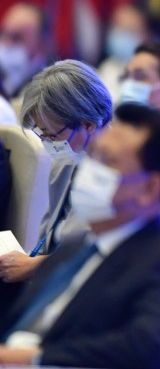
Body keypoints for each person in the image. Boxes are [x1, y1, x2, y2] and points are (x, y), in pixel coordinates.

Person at [0, 103, 160, 368]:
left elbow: (152, 348)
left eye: (107, 161)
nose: (89, 169)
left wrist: (32, 358)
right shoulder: (77, 245)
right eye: (93, 155)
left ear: (150, 189)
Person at [0, 61, 113, 288]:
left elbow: (109, 254)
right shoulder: (65, 161)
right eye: (42, 135)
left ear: (88, 124)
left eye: (51, 135)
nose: (47, 144)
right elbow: (47, 239)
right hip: (48, 282)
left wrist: (35, 267)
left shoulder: (126, 174)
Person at [95, 3, 160, 102]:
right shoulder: (109, 66)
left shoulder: (158, 74)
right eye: (117, 27)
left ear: (148, 35)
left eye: (129, 30)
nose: (121, 35)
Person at [0, 3, 50, 99]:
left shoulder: (50, 90)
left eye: (17, 37)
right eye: (4, 35)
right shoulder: (4, 79)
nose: (7, 44)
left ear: (42, 44)